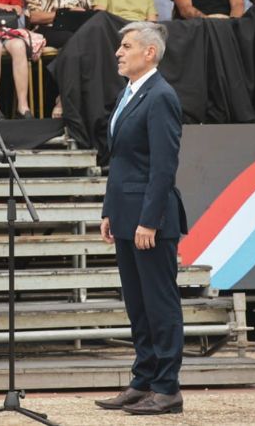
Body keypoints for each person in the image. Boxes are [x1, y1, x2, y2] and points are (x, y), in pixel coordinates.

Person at [96, 21, 188, 416]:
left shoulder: (160, 96)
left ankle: (167, 388)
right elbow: (121, 160)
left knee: (159, 305)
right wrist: (109, 210)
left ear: (149, 52)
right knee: (138, 305)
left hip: (151, 221)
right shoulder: (129, 93)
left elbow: (163, 166)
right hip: (125, 215)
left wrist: (149, 220)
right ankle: (143, 380)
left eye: (127, 46)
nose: (118, 52)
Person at [24, 0, 91, 118]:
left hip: (77, 30)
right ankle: (63, 98)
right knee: (72, 41)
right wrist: (65, 14)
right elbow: (33, 17)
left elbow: (88, 13)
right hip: (47, 28)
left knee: (92, 42)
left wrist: (79, 14)